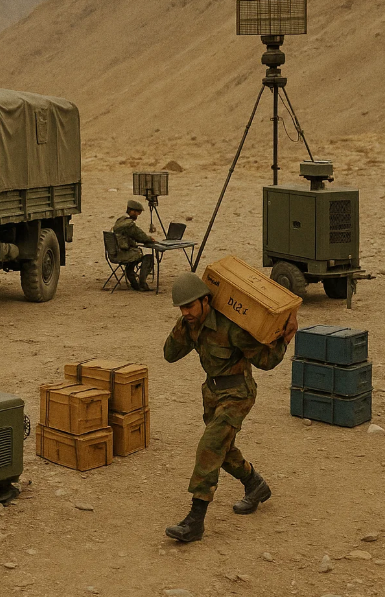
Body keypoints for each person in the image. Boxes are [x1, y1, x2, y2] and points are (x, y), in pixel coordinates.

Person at [162, 271, 298, 542]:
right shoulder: (189, 324)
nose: (185, 312)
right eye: (181, 308)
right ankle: (255, 485)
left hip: (238, 394)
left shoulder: (231, 326)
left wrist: (284, 339)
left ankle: (195, 521)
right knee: (222, 451)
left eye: (190, 306)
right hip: (212, 394)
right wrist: (184, 325)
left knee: (210, 447)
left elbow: (266, 361)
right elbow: (169, 354)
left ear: (205, 300)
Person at [112, 199, 155, 291]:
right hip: (123, 254)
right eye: (137, 213)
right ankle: (142, 283)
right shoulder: (128, 225)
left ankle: (134, 283)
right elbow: (140, 235)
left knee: (133, 259)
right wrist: (149, 239)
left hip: (115, 253)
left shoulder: (120, 220)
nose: (137, 216)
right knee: (149, 258)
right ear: (132, 211)